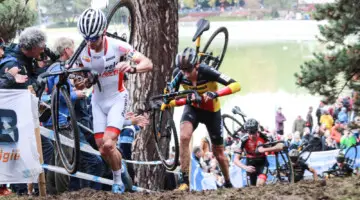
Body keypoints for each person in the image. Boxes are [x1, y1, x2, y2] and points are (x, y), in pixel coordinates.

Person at [75, 8, 153, 194]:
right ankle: (119, 165)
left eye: (94, 38)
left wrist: (132, 68)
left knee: (109, 144)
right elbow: (79, 82)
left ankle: (117, 181)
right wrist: (82, 82)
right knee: (103, 150)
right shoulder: (81, 52)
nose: (90, 42)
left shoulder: (117, 46)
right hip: (97, 101)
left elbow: (148, 63)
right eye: (86, 38)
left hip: (117, 97)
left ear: (103, 31)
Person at [166, 47, 241, 190]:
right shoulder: (179, 74)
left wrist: (216, 94)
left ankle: (227, 181)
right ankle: (184, 181)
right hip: (193, 108)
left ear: (197, 65)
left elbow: (236, 85)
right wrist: (176, 98)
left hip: (211, 111)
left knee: (218, 153)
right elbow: (170, 96)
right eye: (183, 70)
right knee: (184, 136)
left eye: (189, 70)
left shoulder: (206, 71)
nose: (186, 74)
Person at [234, 119, 284, 186]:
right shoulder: (243, 139)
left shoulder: (265, 136)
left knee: (259, 184)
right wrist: (245, 167)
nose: (251, 136)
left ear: (257, 130)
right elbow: (235, 159)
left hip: (262, 162)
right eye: (249, 133)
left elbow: (281, 145)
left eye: (253, 133)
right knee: (252, 187)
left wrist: (264, 150)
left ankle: (263, 182)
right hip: (250, 163)